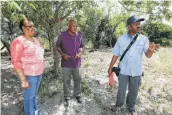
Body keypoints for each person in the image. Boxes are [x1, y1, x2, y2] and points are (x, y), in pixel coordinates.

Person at [108, 15, 159, 115]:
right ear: (129, 26)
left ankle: (131, 107)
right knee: (121, 91)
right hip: (123, 70)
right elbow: (115, 55)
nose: (138, 25)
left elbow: (148, 55)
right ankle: (118, 105)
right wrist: (110, 68)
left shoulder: (144, 39)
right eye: (135, 23)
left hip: (136, 71)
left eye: (139, 23)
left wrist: (150, 50)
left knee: (134, 91)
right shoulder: (121, 39)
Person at [10, 18, 44, 115]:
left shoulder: (36, 40)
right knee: (28, 98)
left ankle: (35, 111)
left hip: (38, 73)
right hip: (29, 75)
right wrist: (24, 80)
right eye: (30, 26)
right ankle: (30, 113)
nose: (33, 28)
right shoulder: (18, 41)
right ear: (23, 28)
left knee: (33, 95)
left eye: (33, 26)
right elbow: (16, 61)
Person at [56, 19, 84, 106]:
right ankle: (67, 96)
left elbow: (82, 46)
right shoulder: (62, 35)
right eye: (73, 25)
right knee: (66, 80)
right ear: (69, 26)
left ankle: (78, 94)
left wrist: (80, 52)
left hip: (77, 63)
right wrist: (63, 54)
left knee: (77, 79)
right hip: (66, 63)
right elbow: (57, 46)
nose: (75, 27)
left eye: (76, 26)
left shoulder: (79, 35)